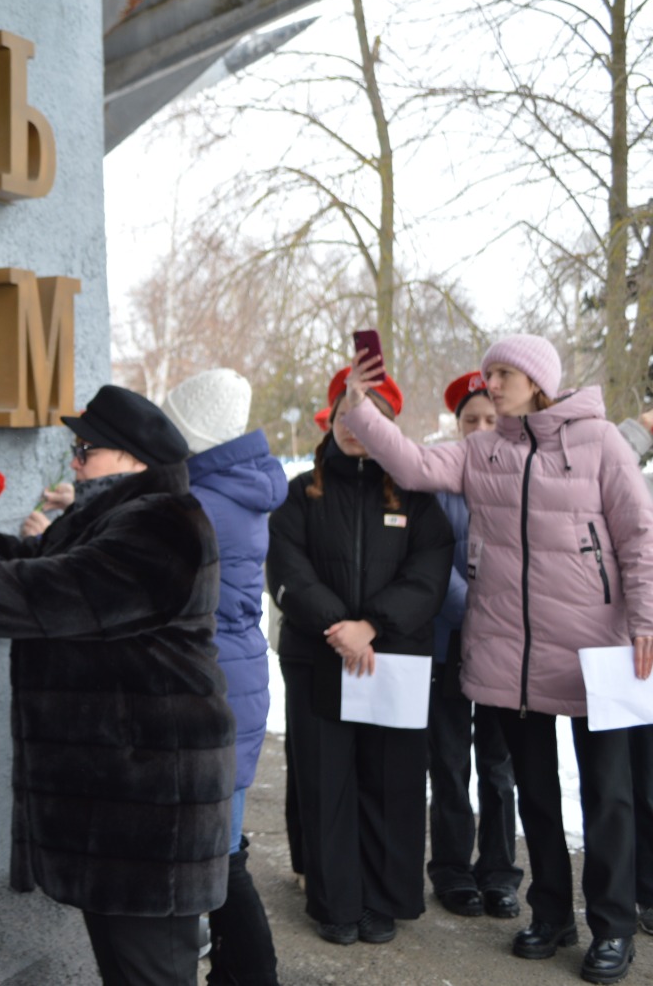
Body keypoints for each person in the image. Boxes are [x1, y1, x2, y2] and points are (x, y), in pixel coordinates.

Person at [0, 384, 236, 986]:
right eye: (76, 446)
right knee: (126, 964)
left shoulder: (163, 525)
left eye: (87, 448)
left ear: (131, 459)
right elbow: (34, 561)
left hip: (151, 794)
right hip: (124, 794)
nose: (75, 459)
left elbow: (60, 591)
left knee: (152, 971)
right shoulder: (113, 515)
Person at [341, 334, 653, 985]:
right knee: (536, 793)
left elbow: (638, 535)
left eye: (503, 374)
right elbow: (413, 464)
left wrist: (646, 620)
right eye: (488, 375)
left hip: (597, 651)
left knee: (608, 796)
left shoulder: (599, 442)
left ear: (538, 381)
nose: (491, 385)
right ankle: (551, 915)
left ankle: (613, 925)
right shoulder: (483, 451)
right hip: (512, 652)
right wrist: (360, 409)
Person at [267, 365, 452, 948]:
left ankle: (384, 900)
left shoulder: (418, 500)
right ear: (331, 419)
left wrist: (372, 625)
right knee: (327, 785)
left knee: (391, 783)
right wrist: (338, 628)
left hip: (391, 661)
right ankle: (335, 902)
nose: (354, 426)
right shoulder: (300, 494)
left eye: (369, 414)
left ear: (388, 425)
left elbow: (429, 575)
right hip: (319, 659)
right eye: (345, 412)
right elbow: (287, 568)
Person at [161, 368, 286, 986]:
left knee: (221, 861)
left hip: (216, 686)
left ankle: (248, 976)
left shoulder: (204, 504)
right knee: (224, 851)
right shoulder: (233, 488)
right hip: (236, 682)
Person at [425, 372, 522, 920]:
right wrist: (478, 613)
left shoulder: (522, 477)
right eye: (471, 421)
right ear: (458, 426)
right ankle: (453, 869)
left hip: (507, 644)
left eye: (492, 419)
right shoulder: (440, 480)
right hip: (451, 637)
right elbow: (433, 561)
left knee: (499, 762)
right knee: (449, 758)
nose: (482, 429)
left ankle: (501, 872)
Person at [612, 409, 653, 940]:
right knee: (641, 781)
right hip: (637, 649)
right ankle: (644, 889)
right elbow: (609, 455)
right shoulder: (633, 475)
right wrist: (642, 425)